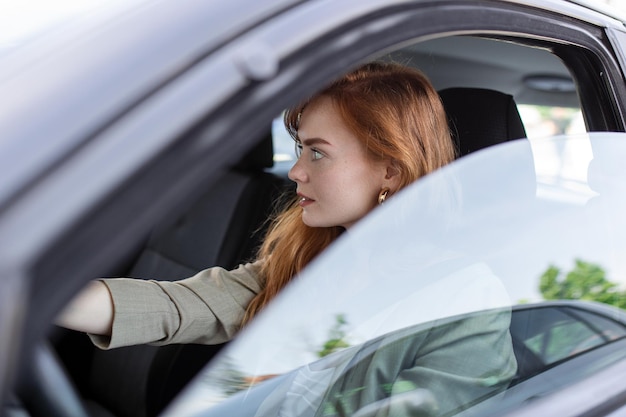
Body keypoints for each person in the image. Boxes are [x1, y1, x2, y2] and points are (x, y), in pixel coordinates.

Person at [57, 61, 457, 349]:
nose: (295, 172)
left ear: (390, 171)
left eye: (318, 153)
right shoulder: (304, 259)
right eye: (300, 149)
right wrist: (36, 300)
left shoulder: (461, 304)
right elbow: (177, 305)